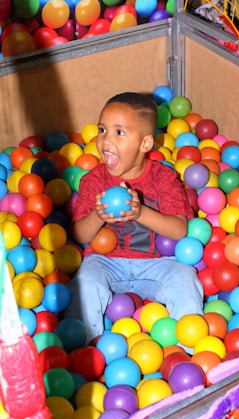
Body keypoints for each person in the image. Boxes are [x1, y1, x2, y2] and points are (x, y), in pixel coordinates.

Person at [65, 92, 204, 343]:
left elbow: (179, 230)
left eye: (119, 132)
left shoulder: (163, 178)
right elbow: (79, 234)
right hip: (106, 262)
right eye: (102, 130)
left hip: (158, 263)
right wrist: (98, 216)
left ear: (145, 144)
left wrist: (140, 212)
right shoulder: (93, 180)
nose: (106, 140)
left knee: (185, 278)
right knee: (85, 281)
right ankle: (82, 350)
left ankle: (190, 349)